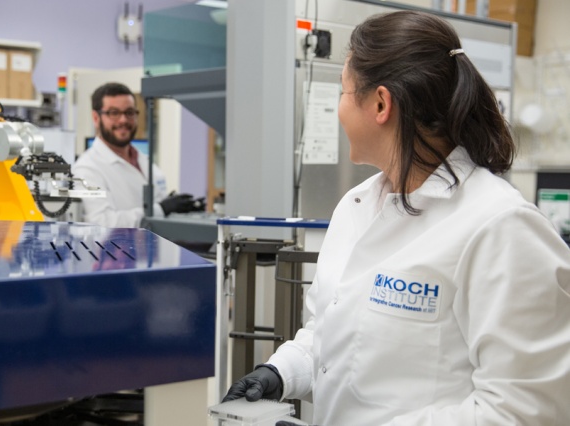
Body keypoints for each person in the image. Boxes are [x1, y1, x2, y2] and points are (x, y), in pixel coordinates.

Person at [223, 10, 570, 425]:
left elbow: (524, 411)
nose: (339, 110)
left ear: (381, 103)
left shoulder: (501, 227)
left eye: (344, 92)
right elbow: (332, 329)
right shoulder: (356, 206)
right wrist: (282, 371)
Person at [72, 82, 202, 228]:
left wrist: (181, 207)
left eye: (129, 113)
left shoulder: (142, 159)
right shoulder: (86, 169)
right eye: (114, 113)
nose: (123, 120)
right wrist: (162, 209)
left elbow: (157, 201)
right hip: (116, 250)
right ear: (96, 118)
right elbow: (102, 222)